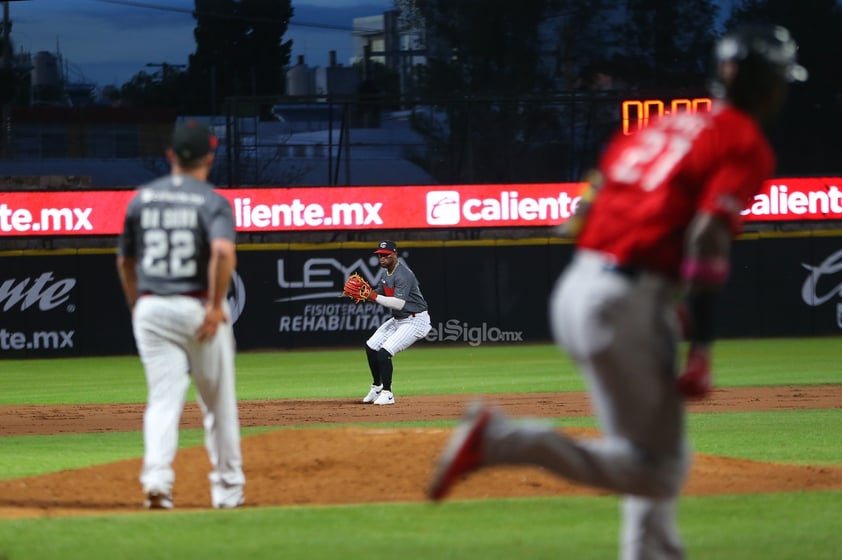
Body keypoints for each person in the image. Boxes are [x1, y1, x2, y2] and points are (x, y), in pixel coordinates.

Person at [427, 24, 806, 559]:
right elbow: (706, 234)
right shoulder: (744, 141)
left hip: (581, 286)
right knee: (659, 471)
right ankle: (502, 440)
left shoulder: (659, 123)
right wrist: (700, 347)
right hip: (626, 299)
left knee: (648, 455)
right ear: (766, 86)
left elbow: (587, 202)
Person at [116, 120, 245, 510]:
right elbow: (222, 253)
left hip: (152, 306)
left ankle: (156, 481)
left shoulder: (141, 198)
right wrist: (215, 306)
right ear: (210, 156)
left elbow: (125, 261)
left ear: (170, 155)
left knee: (162, 400)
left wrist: (139, 304)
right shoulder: (211, 200)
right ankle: (227, 490)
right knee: (217, 404)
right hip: (194, 304)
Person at [359, 240, 432, 405]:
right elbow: (378, 293)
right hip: (399, 319)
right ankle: (377, 387)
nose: (382, 258)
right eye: (380, 255)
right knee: (371, 347)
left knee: (384, 353)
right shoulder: (386, 274)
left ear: (395, 255)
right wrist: (364, 294)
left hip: (415, 320)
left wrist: (373, 296)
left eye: (386, 255)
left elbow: (398, 303)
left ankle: (388, 393)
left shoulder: (404, 274)